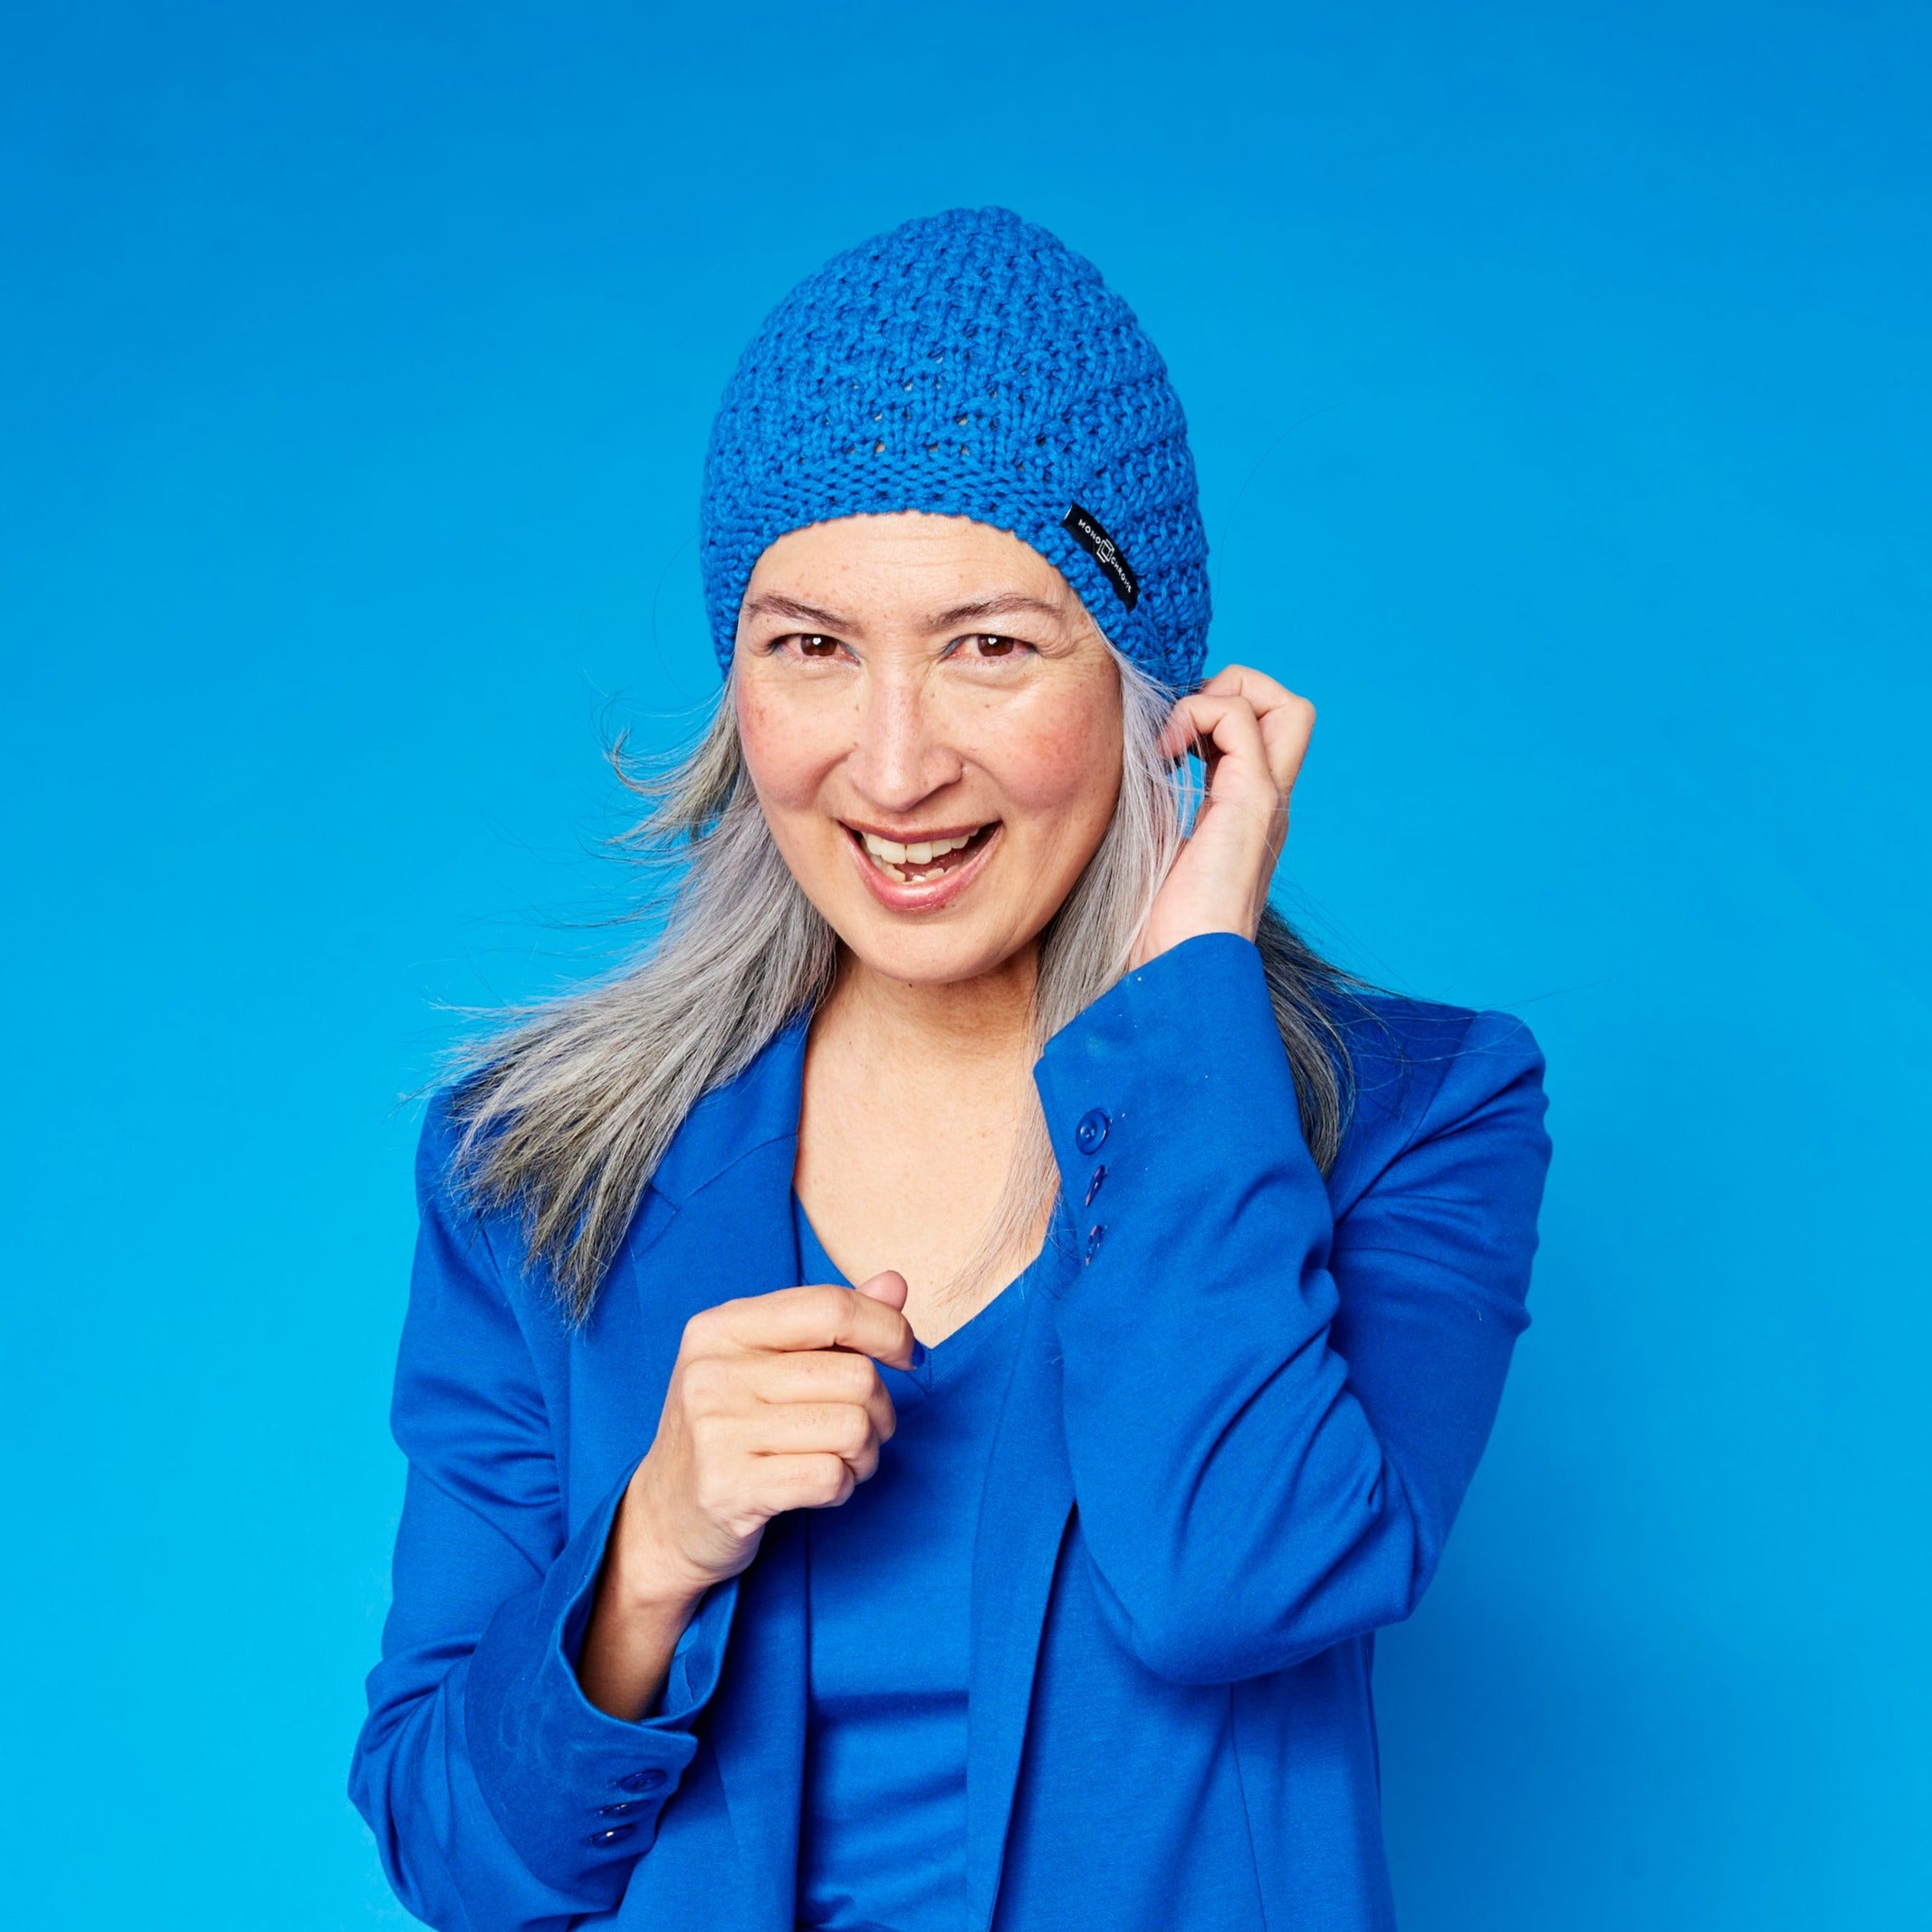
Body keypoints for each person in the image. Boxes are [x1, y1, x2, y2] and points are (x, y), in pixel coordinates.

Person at [348, 206, 1554, 1932]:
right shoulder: (536, 1168)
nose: (894, 764)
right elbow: (460, 1859)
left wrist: (1195, 970)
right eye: (810, 645)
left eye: (991, 642)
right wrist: (651, 1548)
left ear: (1149, 682)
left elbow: (1233, 1579)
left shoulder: (1414, 1119)